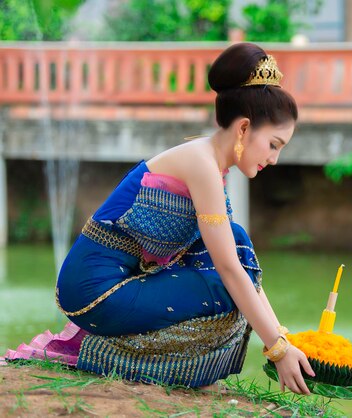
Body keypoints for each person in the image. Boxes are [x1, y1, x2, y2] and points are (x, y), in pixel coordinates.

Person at [3, 42, 315, 395]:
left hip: (122, 282)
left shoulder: (208, 162)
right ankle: (86, 345)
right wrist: (277, 350)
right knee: (226, 290)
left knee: (237, 238)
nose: (274, 158)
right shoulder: (202, 165)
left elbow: (238, 259)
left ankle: (100, 341)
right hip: (97, 292)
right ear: (244, 129)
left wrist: (282, 337)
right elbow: (229, 270)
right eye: (274, 144)